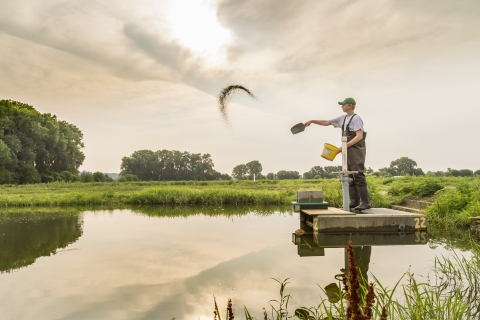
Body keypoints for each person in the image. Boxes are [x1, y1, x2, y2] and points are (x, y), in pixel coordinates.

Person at [305, 97, 371, 210]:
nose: (341, 106)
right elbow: (327, 122)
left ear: (350, 105)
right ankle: (354, 201)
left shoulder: (356, 119)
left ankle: (366, 203)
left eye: (343, 105)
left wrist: (344, 146)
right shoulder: (342, 119)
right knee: (349, 175)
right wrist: (312, 121)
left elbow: (359, 136)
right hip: (347, 151)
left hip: (356, 150)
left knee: (358, 175)